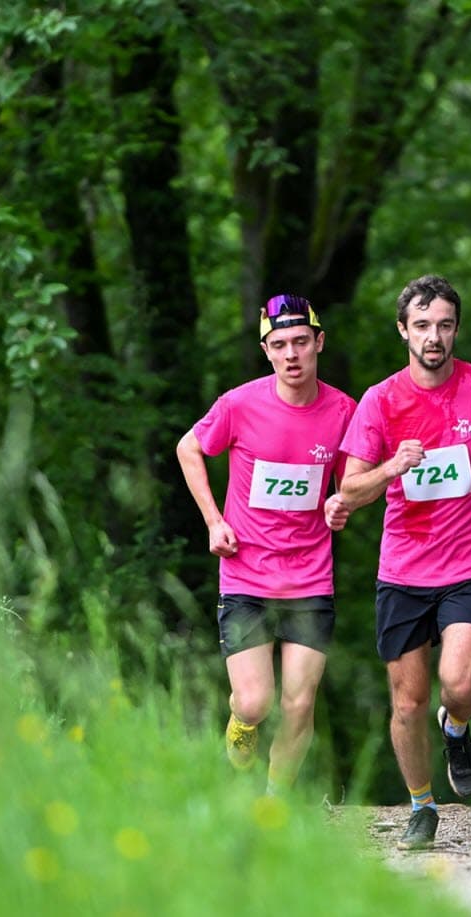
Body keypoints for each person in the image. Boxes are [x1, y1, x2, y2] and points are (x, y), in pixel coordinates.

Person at [335, 274, 471, 850]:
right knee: (406, 700)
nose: (434, 337)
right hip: (402, 570)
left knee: (462, 682)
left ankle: (457, 728)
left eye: (444, 325)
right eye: (422, 326)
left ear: (456, 330)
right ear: (404, 330)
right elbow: (350, 492)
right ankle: (422, 807)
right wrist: (391, 468)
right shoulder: (381, 401)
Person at [176, 294, 357, 795]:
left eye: (301, 341)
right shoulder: (239, 404)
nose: (291, 354)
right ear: (267, 351)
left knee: (300, 703)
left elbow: (354, 481)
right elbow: (188, 447)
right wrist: (214, 521)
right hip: (246, 573)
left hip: (309, 577)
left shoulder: (344, 411)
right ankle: (239, 727)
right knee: (255, 703)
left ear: (318, 342)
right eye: (279, 345)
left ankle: (274, 804)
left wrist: (342, 502)